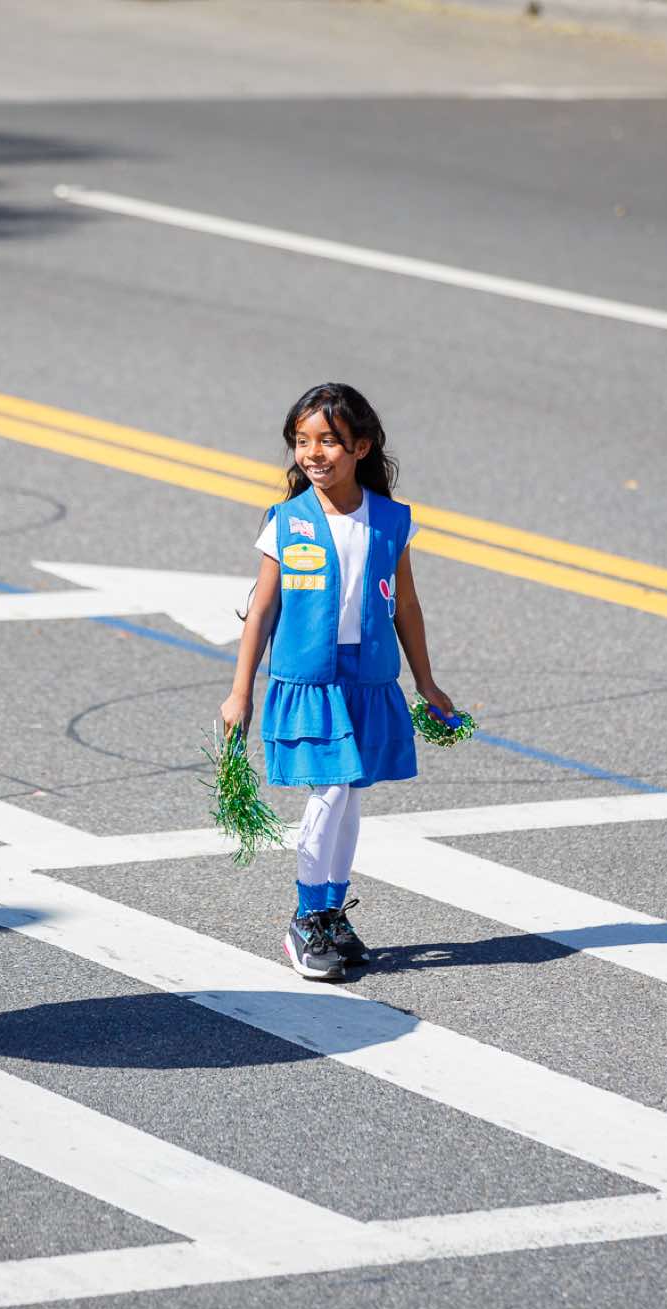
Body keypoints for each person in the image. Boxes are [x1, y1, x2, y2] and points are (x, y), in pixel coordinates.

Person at [220, 383, 454, 981]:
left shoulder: (391, 521)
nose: (313, 453)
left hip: (367, 682)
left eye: (328, 440)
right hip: (310, 682)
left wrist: (426, 682)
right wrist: (240, 692)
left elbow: (406, 606)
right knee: (329, 790)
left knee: (348, 795)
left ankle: (330, 912)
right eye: (302, 441)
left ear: (361, 447)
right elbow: (261, 611)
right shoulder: (287, 522)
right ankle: (305, 918)